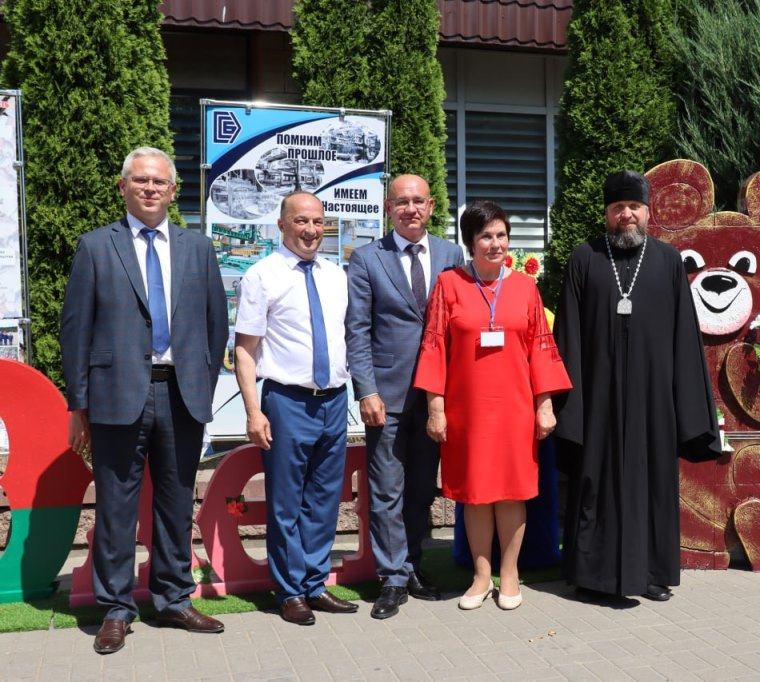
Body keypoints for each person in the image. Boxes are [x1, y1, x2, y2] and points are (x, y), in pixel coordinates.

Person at [60, 147, 229, 654]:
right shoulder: (95, 247)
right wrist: (78, 404)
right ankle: (116, 607)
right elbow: (76, 330)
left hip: (182, 393)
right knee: (116, 506)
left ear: (174, 190)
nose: (151, 189)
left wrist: (201, 379)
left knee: (177, 504)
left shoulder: (198, 248)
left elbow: (215, 323)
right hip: (116, 395)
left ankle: (174, 598)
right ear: (123, 187)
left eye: (160, 182)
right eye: (141, 181)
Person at [553, 170, 720, 602]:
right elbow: (568, 335)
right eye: (617, 208)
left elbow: (685, 336)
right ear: (607, 213)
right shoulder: (584, 258)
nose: (625, 214)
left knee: (653, 484)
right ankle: (595, 576)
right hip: (598, 397)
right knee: (596, 482)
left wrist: (687, 407)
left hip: (652, 400)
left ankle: (650, 572)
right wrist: (568, 404)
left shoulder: (667, 260)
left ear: (648, 212)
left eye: (633, 207)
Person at [414, 200, 571, 611]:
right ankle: (481, 577)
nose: (495, 243)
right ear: (470, 241)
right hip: (467, 410)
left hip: (516, 408)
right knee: (477, 494)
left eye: (501, 235)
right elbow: (433, 348)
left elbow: (541, 349)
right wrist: (436, 407)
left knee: (512, 493)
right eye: (486, 236)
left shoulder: (525, 287)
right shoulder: (449, 285)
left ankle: (511, 573)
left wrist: (545, 405)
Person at [233, 191, 359, 624]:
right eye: (301, 221)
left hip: (333, 401)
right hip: (286, 402)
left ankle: (314, 584)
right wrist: (253, 411)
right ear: (282, 225)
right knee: (286, 503)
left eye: (318, 222)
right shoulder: (261, 275)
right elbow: (245, 350)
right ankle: (289, 592)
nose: (311, 230)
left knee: (324, 501)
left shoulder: (335, 275)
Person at [345, 174, 464, 620]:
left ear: (431, 207)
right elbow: (356, 329)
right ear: (387, 209)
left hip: (436, 397)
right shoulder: (367, 259)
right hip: (388, 398)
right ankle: (392, 578)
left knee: (419, 491)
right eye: (401, 203)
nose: (410, 209)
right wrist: (367, 390)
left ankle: (414, 564)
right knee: (387, 488)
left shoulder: (452, 255)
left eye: (418, 202)